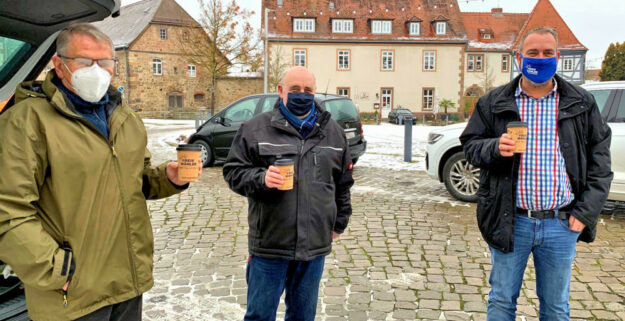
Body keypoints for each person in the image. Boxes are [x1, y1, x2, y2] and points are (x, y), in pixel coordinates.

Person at [0, 23, 195, 321]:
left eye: (105, 62)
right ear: (59, 64)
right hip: (72, 295)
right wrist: (55, 271)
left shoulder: (124, 117)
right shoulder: (26, 122)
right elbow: (8, 210)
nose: (96, 70)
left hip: (127, 284)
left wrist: (167, 178)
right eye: (84, 61)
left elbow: (134, 180)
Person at [460, 28, 612, 321]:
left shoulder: (581, 102)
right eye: (532, 53)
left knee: (555, 308)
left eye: (547, 53)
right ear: (519, 57)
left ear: (557, 57)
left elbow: (600, 163)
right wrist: (494, 147)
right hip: (510, 219)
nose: (540, 59)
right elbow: (469, 147)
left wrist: (585, 213)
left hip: (561, 223)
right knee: (502, 301)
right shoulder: (493, 102)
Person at [223, 66, 354, 321]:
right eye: (295, 89)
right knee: (260, 315)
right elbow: (232, 172)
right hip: (270, 244)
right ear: (281, 91)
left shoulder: (334, 133)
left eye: (307, 90)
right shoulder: (255, 129)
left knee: (303, 316)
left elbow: (343, 182)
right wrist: (261, 178)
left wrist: (340, 222)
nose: (301, 95)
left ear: (315, 92)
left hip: (313, 246)